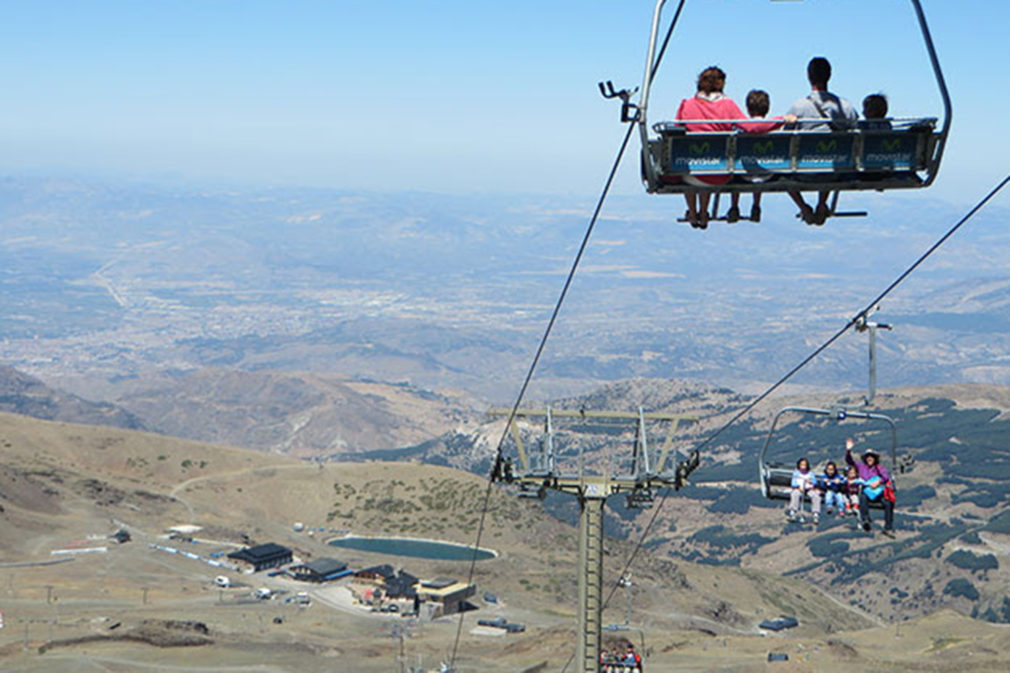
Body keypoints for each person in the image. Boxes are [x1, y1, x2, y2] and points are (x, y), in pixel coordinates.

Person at [786, 57, 859, 225]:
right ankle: (822, 202)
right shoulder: (845, 107)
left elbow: (786, 138)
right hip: (835, 172)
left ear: (808, 76)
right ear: (829, 76)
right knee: (831, 158)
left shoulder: (799, 107)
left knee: (783, 172)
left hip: (804, 173)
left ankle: (804, 207)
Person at [675, 66, 748, 230]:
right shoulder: (728, 105)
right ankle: (703, 211)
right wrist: (780, 120)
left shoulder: (686, 105)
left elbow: (676, 131)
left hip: (693, 174)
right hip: (721, 174)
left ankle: (693, 212)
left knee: (691, 161)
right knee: (712, 161)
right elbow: (750, 127)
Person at [727, 89, 797, 223]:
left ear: (747, 108)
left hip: (742, 175)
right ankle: (756, 204)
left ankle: (734, 205)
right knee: (762, 162)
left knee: (740, 165)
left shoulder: (740, 129)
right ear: (767, 108)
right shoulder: (774, 129)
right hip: (767, 174)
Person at [844, 437, 895, 536]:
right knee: (863, 498)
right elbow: (850, 461)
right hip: (866, 492)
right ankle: (866, 520)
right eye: (868, 457)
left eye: (871, 457)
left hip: (878, 492)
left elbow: (886, 477)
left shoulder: (879, 468)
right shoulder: (861, 467)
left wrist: (878, 482)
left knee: (888, 503)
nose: (869, 459)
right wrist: (848, 450)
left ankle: (888, 527)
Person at [789, 457, 822, 523]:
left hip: (808, 489)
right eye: (802, 465)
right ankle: (793, 512)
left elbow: (814, 482)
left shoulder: (810, 474)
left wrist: (810, 482)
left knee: (816, 496)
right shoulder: (796, 474)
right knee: (795, 494)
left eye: (805, 465)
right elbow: (793, 483)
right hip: (799, 488)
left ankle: (816, 513)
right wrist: (798, 487)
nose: (803, 466)